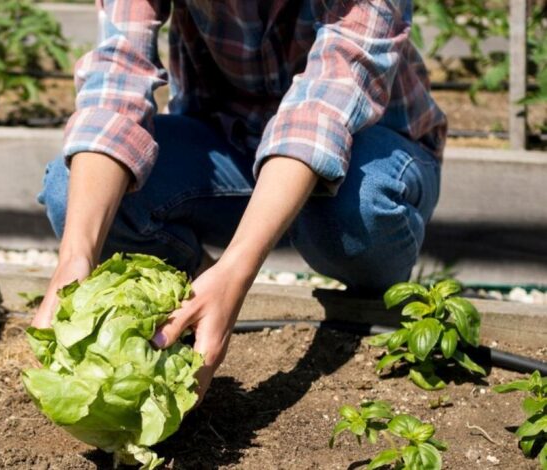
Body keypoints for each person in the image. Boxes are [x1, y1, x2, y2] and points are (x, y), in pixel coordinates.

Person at [32, 0, 447, 399]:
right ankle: (196, 295)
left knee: (355, 208)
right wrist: (74, 259)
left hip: (370, 150)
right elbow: (116, 79)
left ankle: (372, 306)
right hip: (231, 145)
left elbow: (324, 106)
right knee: (71, 194)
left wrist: (238, 269)